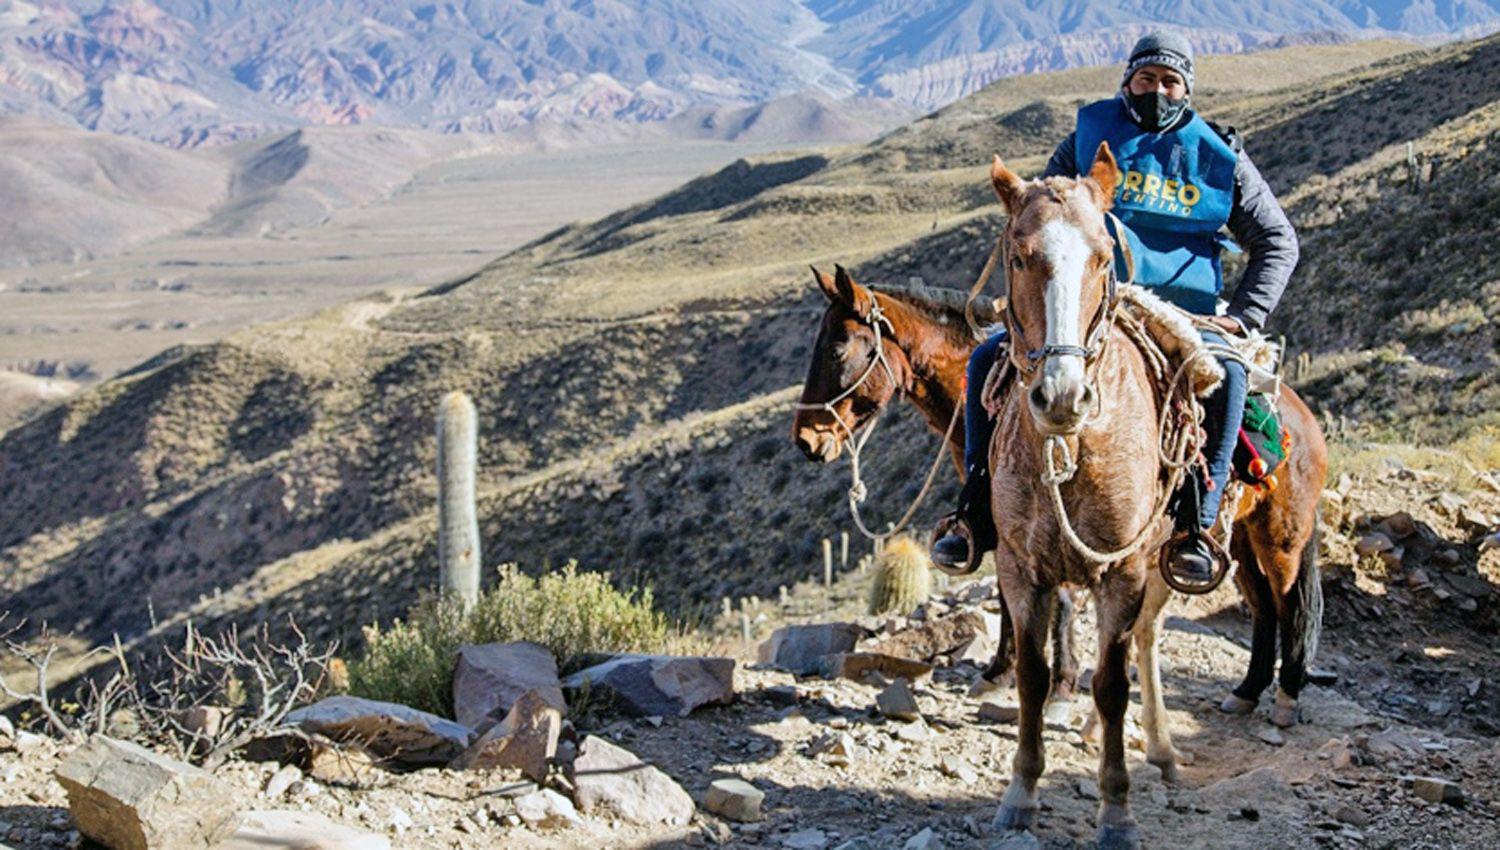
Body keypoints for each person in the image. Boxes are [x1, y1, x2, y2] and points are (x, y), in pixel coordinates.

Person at [931, 30, 1299, 585]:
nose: (1157, 90)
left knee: (1226, 376)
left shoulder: (1221, 156)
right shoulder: (1089, 138)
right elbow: (1040, 206)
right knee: (986, 362)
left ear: (1187, 89)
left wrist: (1244, 314)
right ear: (1127, 80)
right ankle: (977, 513)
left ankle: (1196, 524)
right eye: (1146, 79)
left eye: (1171, 81)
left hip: (1187, 310)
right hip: (1094, 303)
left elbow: (1277, 240)